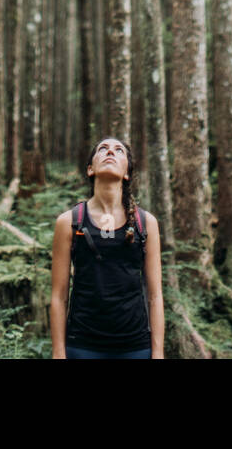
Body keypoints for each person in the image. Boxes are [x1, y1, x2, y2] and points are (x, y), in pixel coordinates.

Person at [50, 136, 164, 359]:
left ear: (127, 173)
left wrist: (158, 352)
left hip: (135, 346)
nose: (110, 152)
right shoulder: (69, 222)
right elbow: (58, 295)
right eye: (103, 148)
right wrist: (58, 352)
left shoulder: (146, 222)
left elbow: (155, 295)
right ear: (90, 169)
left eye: (119, 150)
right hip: (82, 344)